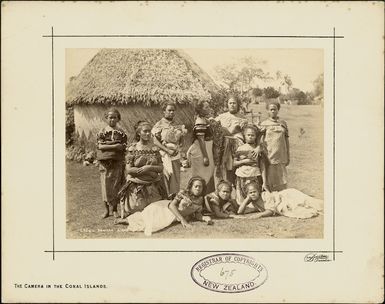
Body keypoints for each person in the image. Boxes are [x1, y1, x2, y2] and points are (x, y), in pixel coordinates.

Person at [115, 177, 212, 236]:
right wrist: (183, 220)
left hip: (174, 216)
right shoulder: (184, 193)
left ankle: (127, 220)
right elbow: (172, 206)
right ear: (191, 187)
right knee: (149, 220)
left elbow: (196, 212)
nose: (198, 189)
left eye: (201, 187)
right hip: (165, 209)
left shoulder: (200, 199)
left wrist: (204, 218)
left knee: (152, 223)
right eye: (196, 186)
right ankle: (125, 220)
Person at [118, 121, 167, 218]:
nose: (148, 133)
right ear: (139, 133)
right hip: (137, 185)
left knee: (156, 210)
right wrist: (144, 171)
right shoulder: (133, 149)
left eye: (149, 131)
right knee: (138, 210)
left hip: (152, 184)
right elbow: (129, 170)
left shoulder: (154, 148)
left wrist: (149, 167)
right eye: (145, 131)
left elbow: (160, 168)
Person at [186, 100, 224, 193]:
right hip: (201, 151)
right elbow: (201, 140)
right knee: (202, 176)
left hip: (206, 148)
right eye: (206, 107)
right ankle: (199, 196)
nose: (208, 109)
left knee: (208, 174)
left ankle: (207, 196)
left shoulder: (204, 119)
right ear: (200, 109)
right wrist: (205, 156)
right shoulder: (200, 122)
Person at [96, 108, 127, 218]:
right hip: (105, 163)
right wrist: (115, 145)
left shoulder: (121, 132)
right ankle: (106, 210)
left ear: (118, 119)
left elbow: (123, 146)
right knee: (105, 185)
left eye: (114, 117)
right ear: (106, 118)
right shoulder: (102, 132)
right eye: (110, 117)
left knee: (115, 185)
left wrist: (110, 145)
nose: (112, 120)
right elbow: (100, 146)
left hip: (117, 162)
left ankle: (114, 209)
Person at [152, 102, 187, 196]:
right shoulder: (159, 125)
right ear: (164, 111)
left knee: (175, 178)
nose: (171, 112)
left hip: (175, 154)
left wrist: (179, 148)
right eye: (169, 110)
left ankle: (174, 199)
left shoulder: (177, 124)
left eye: (173, 110)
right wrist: (167, 150)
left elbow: (181, 141)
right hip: (164, 156)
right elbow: (155, 141)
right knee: (166, 176)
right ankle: (166, 199)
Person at [215, 95, 249, 184]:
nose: (232, 105)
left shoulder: (243, 118)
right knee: (225, 169)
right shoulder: (221, 117)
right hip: (224, 147)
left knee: (236, 169)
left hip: (238, 147)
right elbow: (214, 128)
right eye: (230, 103)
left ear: (238, 105)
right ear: (227, 104)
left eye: (234, 103)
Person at [233, 125, 268, 204]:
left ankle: (253, 205)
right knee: (240, 192)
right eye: (248, 135)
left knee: (253, 190)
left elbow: (262, 166)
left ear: (256, 136)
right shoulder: (240, 148)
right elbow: (234, 163)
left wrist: (264, 181)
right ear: (244, 136)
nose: (250, 137)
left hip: (254, 173)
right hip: (241, 174)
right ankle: (241, 204)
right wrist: (244, 161)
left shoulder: (258, 149)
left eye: (253, 135)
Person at [260, 101, 290, 192]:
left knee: (281, 181)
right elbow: (260, 141)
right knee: (270, 181)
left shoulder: (283, 123)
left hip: (281, 156)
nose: (273, 111)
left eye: (275, 109)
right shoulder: (264, 124)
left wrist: (288, 154)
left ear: (278, 110)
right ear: (268, 111)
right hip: (269, 156)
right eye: (271, 109)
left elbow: (286, 140)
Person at [244, 186, 323, 219]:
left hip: (285, 196)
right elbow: (240, 211)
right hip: (281, 205)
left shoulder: (265, 195)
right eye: (250, 193)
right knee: (298, 210)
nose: (253, 194)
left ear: (259, 191)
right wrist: (247, 199)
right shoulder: (254, 203)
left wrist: (259, 214)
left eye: (254, 192)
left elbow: (270, 211)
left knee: (306, 201)